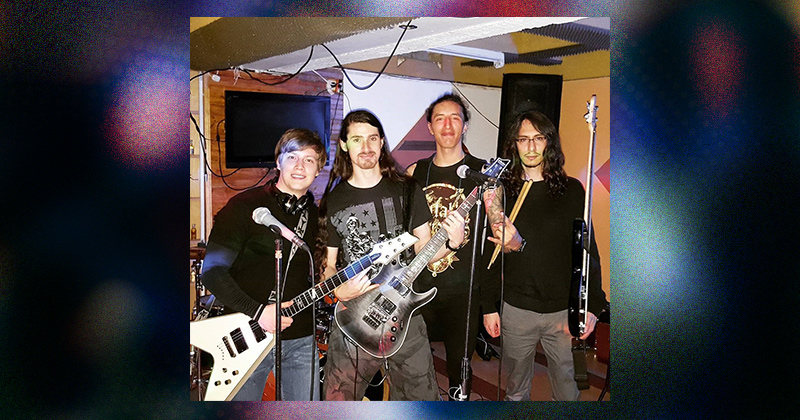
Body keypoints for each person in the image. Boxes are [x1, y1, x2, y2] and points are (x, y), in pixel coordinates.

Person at [318, 109, 466, 401]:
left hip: (405, 317)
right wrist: (338, 289)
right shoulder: (333, 201)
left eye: (373, 138)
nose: (367, 147)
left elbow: (423, 253)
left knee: (420, 402)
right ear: (345, 146)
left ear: (382, 142)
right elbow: (328, 265)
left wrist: (452, 244)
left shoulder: (408, 189)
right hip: (354, 319)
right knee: (339, 400)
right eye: (357, 139)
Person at [482, 110, 607, 401]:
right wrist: (488, 306)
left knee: (567, 392)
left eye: (538, 139)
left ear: (549, 143)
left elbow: (589, 252)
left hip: (561, 311)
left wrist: (593, 305)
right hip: (516, 310)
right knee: (515, 392)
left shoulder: (572, 190)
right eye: (523, 139)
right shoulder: (502, 193)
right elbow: (490, 255)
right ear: (513, 145)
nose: (530, 147)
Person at [200, 128, 326, 401]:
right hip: (246, 334)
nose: (300, 166)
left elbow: (321, 270)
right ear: (278, 162)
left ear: (318, 170)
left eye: (309, 159)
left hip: (301, 338)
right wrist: (258, 312)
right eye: (292, 156)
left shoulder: (317, 216)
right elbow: (211, 272)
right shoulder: (244, 207)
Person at [405, 93, 498, 400]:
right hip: (418, 293)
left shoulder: (485, 174)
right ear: (429, 127)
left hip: (464, 295)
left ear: (465, 126)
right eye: (440, 119)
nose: (447, 125)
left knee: (460, 378)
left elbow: (493, 244)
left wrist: (491, 306)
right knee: (411, 370)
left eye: (455, 118)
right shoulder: (414, 173)